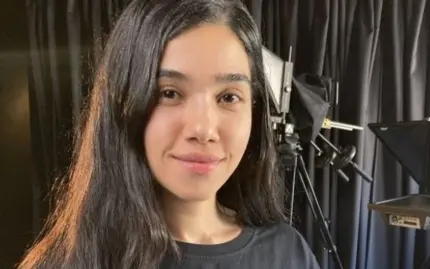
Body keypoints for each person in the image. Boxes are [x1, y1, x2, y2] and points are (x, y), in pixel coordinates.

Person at [18, 0, 321, 268]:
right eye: (170, 93)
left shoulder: (287, 253)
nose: (203, 130)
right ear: (124, 102)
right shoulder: (67, 261)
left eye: (228, 97)